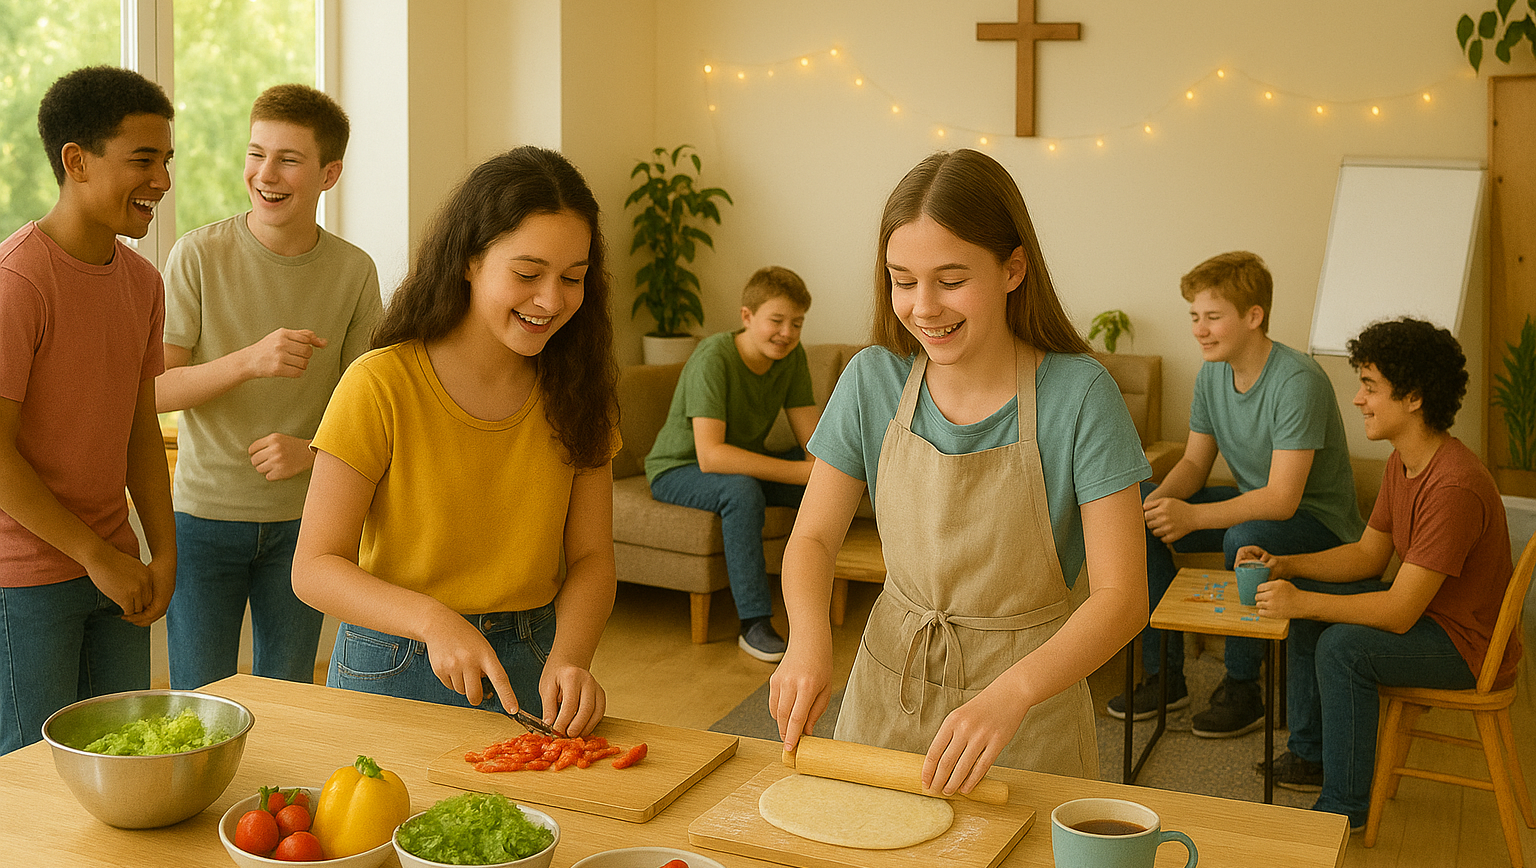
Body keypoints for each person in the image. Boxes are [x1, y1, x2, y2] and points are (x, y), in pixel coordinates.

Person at [769, 149, 1150, 791]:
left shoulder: (1080, 394)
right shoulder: (872, 379)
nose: (923, 308)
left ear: (1012, 268)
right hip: (887, 692)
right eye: (902, 279)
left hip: (1028, 712)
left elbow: (1122, 598)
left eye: (950, 280)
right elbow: (811, 539)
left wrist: (1013, 693)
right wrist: (807, 638)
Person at [291, 146, 618, 736]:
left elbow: (593, 558)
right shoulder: (380, 383)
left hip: (533, 659)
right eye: (527, 274)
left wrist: (571, 656)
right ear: (468, 261)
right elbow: (314, 567)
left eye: (573, 278)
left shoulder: (580, 393)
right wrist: (433, 621)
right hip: (391, 660)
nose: (551, 299)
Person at [1245, 317, 1518, 831]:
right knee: (1316, 610)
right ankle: (1311, 755)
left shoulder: (1452, 486)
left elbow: (1397, 611)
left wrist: (1303, 601)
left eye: (1370, 386)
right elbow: (1368, 556)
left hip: (1467, 647)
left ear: (1412, 397)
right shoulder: (1405, 462)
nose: (1357, 399)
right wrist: (1287, 568)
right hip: (1433, 618)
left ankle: (1344, 811)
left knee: (1342, 648)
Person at [157, 84, 383, 689]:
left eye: (288, 158)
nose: (265, 173)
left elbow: (368, 404)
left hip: (307, 523)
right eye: (257, 154)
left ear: (328, 173)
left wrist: (310, 451)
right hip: (203, 520)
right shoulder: (196, 255)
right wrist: (248, 361)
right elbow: (152, 391)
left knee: (288, 698)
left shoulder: (354, 270)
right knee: (198, 702)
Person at [1107, 251, 1365, 738]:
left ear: (1253, 317)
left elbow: (1282, 500)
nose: (1199, 330)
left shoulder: (1297, 380)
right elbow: (1193, 465)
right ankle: (1166, 679)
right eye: (1194, 317)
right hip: (1258, 510)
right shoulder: (1211, 374)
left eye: (1212, 317)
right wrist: (1159, 505)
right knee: (1134, 509)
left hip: (1319, 525)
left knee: (1240, 537)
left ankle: (1244, 687)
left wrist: (1192, 519)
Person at [0, 67, 176, 755]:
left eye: (166, 161)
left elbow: (140, 434)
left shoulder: (143, 283)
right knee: (29, 783)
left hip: (115, 571)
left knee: (126, 766)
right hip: (27, 582)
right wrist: (94, 554)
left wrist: (161, 552)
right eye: (143, 159)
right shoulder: (18, 281)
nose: (161, 180)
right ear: (76, 161)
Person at [645, 265, 818, 662]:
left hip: (738, 465)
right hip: (679, 468)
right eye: (777, 321)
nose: (787, 333)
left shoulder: (792, 357)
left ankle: (820, 601)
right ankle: (754, 622)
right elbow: (711, 455)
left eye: (797, 323)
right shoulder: (714, 358)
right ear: (747, 316)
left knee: (832, 476)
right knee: (742, 489)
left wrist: (823, 471)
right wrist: (802, 472)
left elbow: (813, 442)